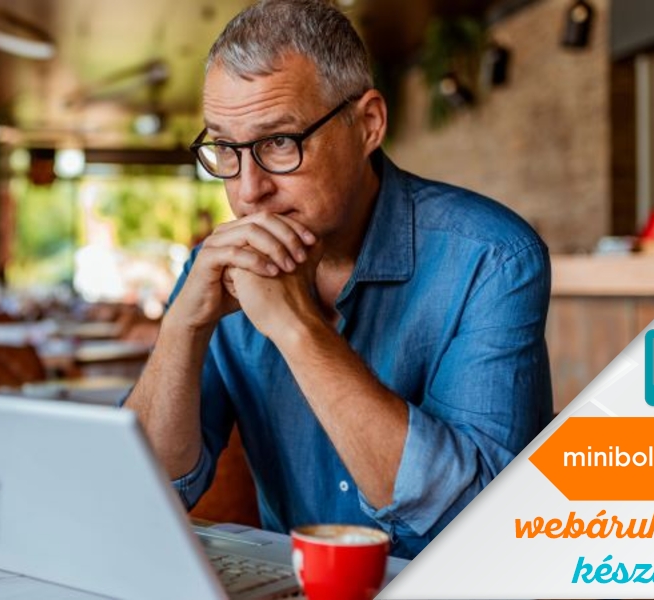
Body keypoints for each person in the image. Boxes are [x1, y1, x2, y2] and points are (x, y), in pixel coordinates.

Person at [122, 0, 552, 559]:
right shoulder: (217, 271)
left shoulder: (492, 258)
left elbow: (479, 522)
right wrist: (181, 326)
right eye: (226, 148)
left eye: (279, 142)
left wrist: (297, 329)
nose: (248, 191)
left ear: (367, 124)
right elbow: (141, 495)